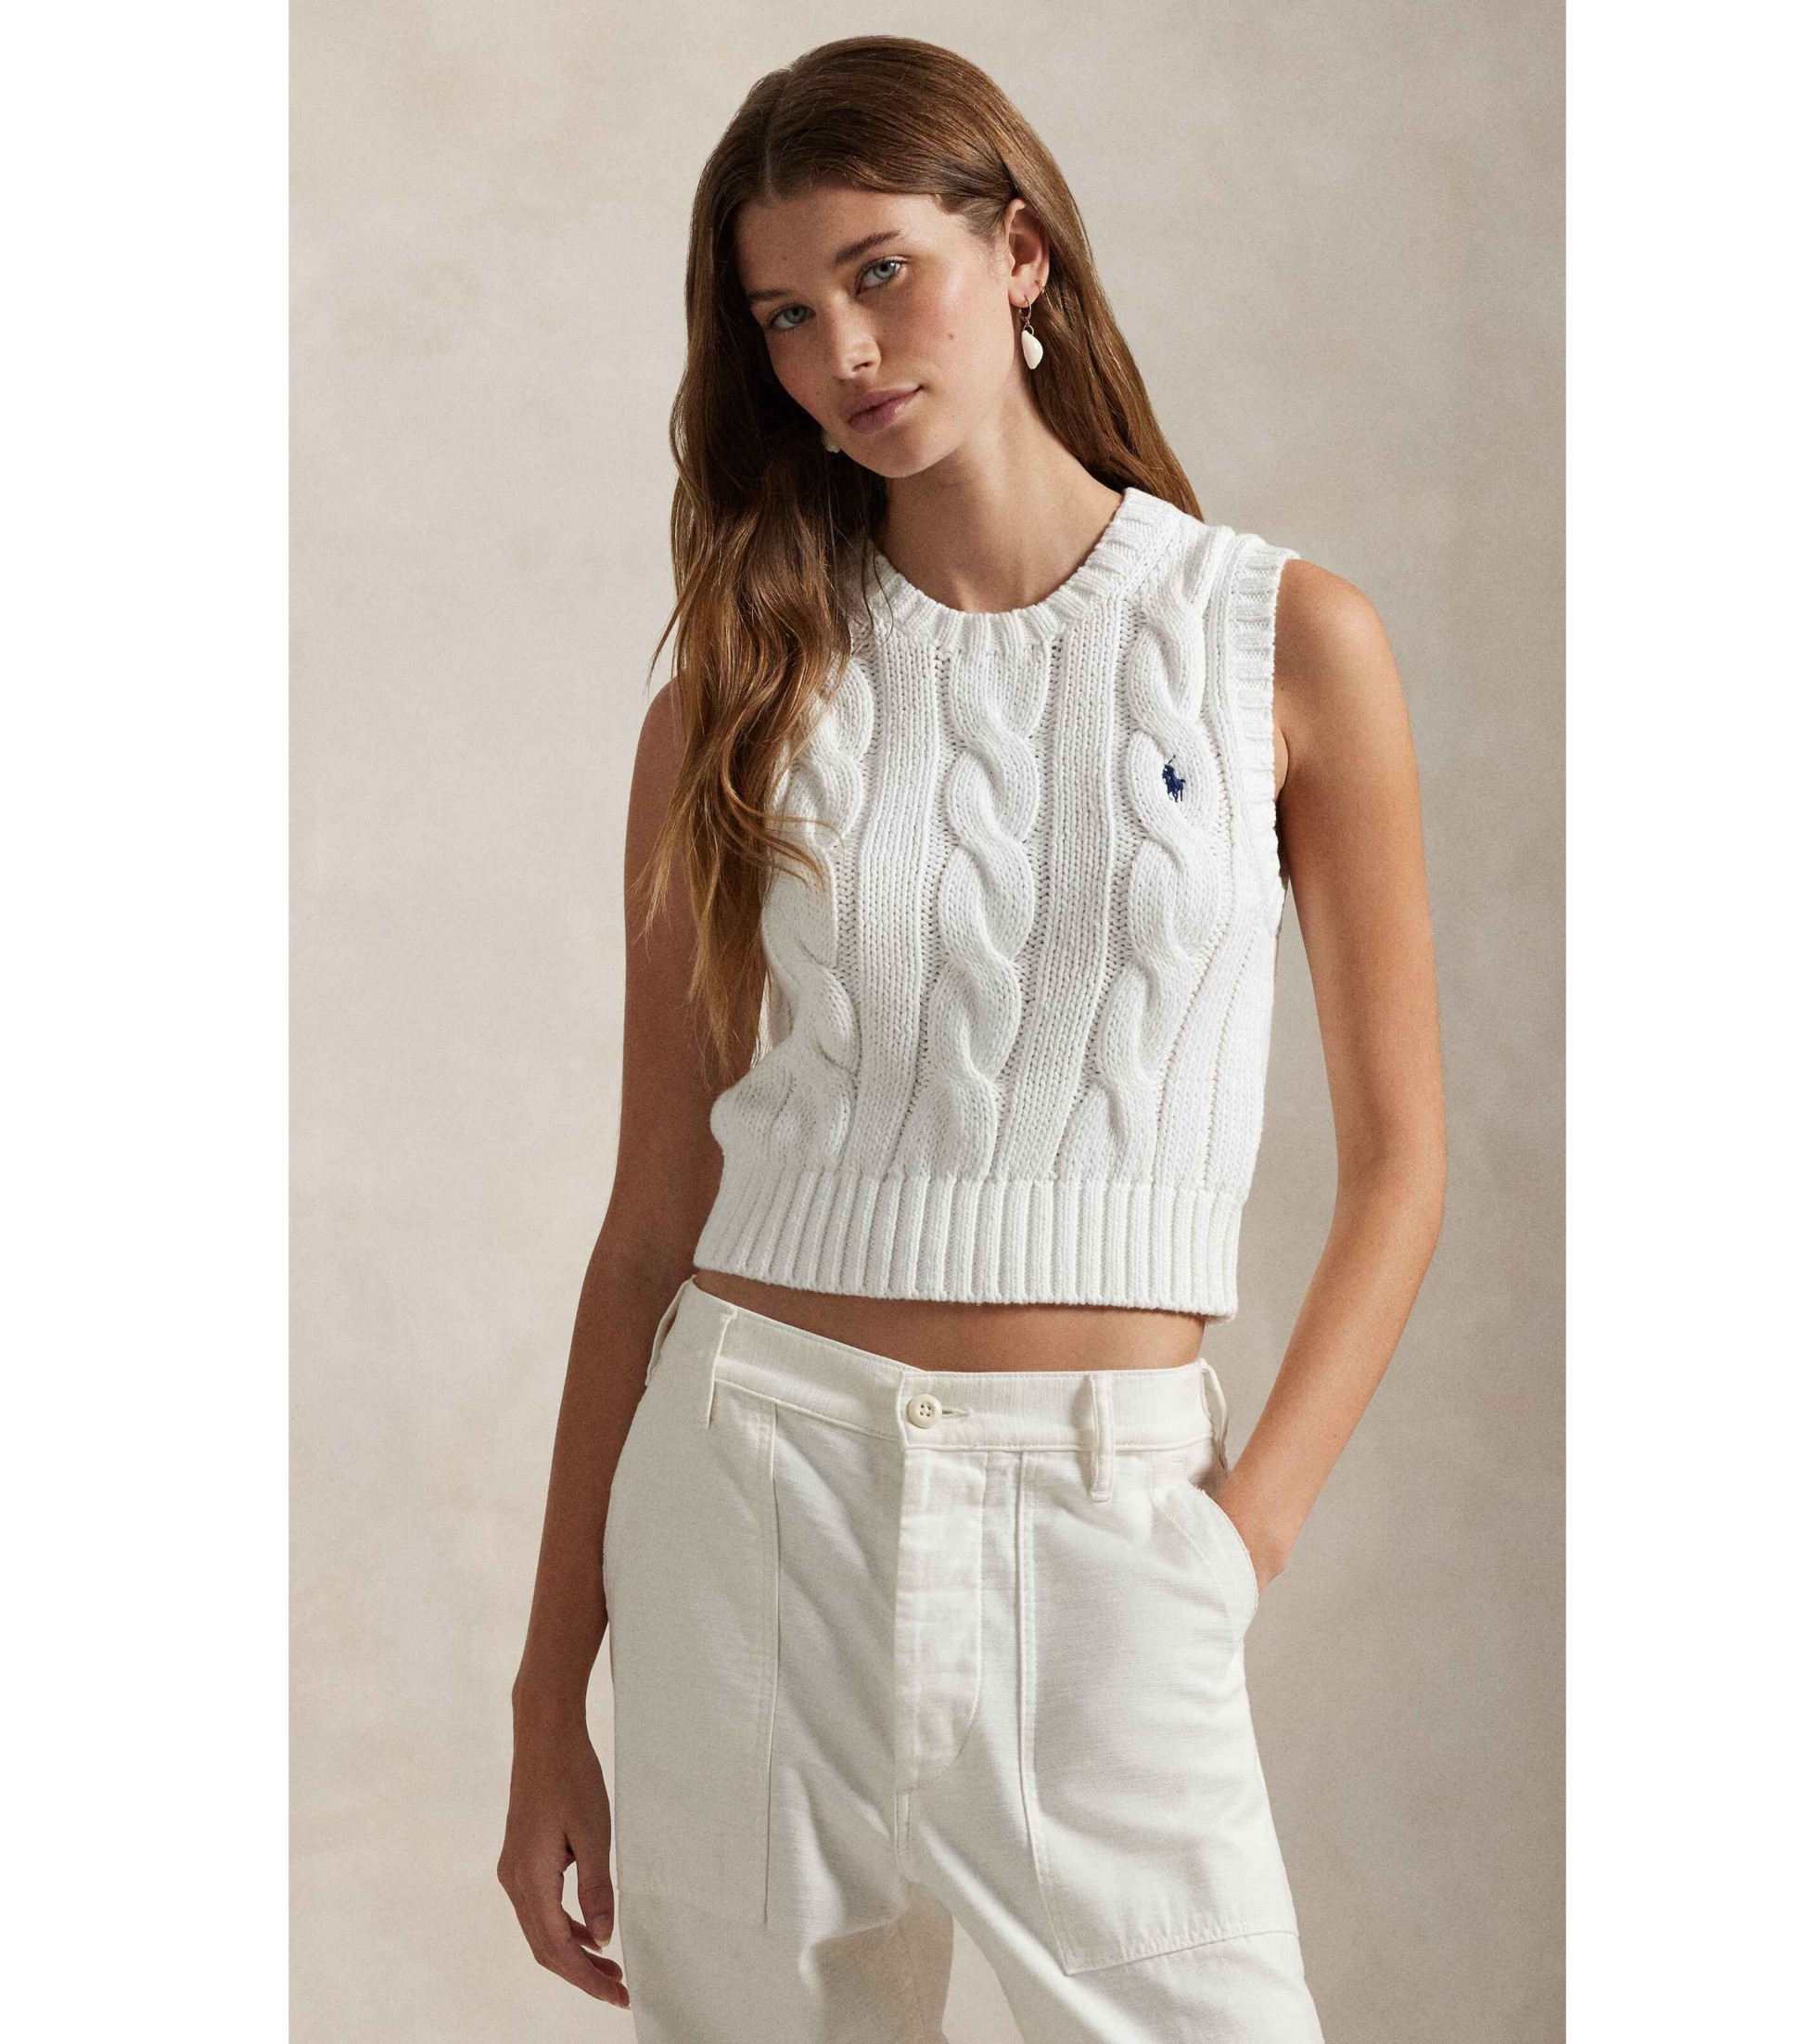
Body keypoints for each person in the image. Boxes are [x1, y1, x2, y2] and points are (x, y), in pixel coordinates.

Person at [499, 33, 1444, 2044]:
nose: (841, 349)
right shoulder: (734, 701)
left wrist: (1237, 1540)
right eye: (783, 314)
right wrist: (543, 1698)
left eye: (880, 273)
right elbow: (649, 1220)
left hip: (1111, 1532)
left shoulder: (1282, 643)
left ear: (1019, 256)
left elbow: (1402, 1165)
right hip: (752, 1501)